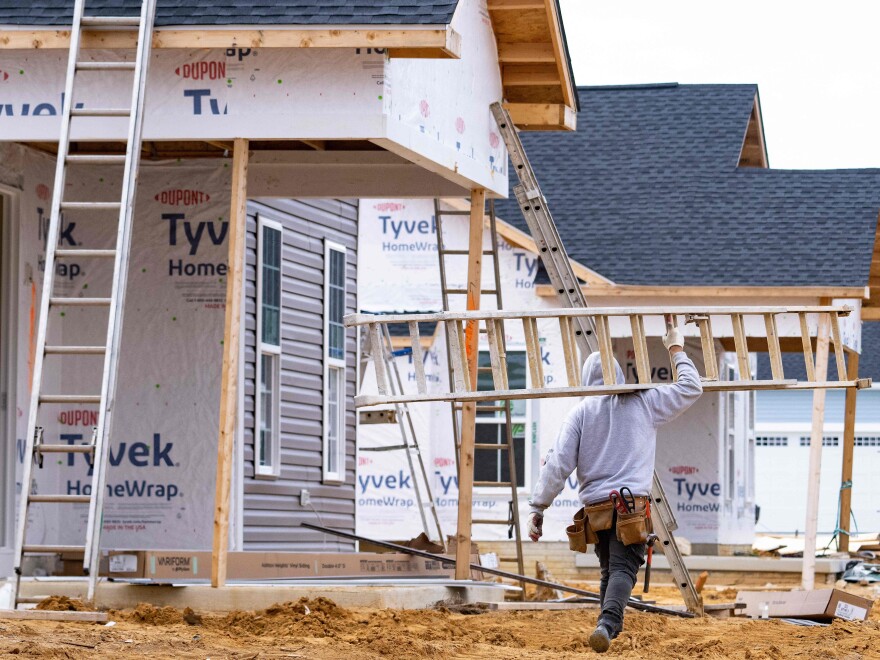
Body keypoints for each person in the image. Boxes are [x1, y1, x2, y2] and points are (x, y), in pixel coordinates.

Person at [526, 323, 703, 653]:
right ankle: (607, 623)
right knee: (623, 568)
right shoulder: (642, 402)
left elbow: (557, 465)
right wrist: (675, 347)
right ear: (620, 376)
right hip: (629, 507)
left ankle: (605, 626)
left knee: (610, 568)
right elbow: (691, 388)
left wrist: (538, 507)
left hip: (596, 511)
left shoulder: (579, 413)